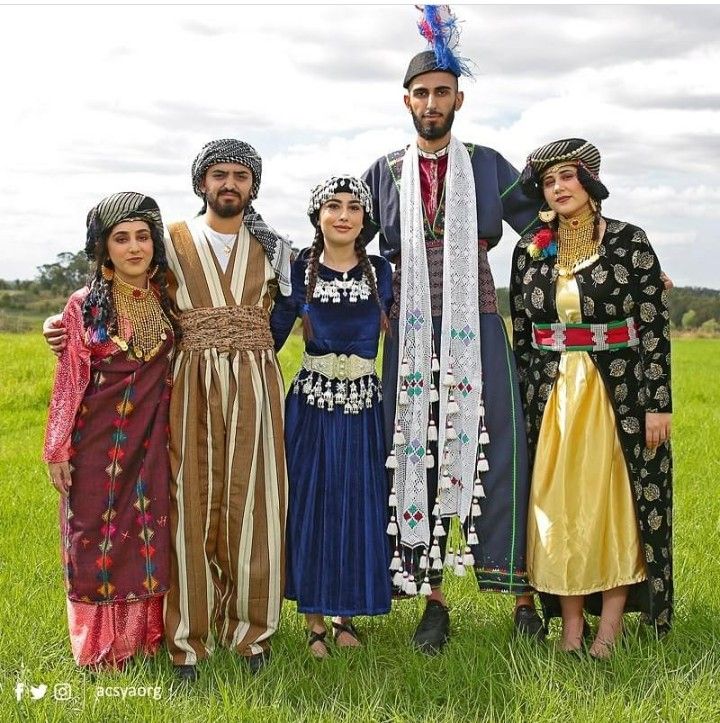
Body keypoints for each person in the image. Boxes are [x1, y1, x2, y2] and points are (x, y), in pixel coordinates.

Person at [43, 139, 293, 681]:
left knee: (256, 503)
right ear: (201, 181)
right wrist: (61, 328)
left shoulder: (275, 246)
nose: (230, 184)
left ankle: (252, 633)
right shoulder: (171, 242)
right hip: (190, 382)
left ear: (253, 185)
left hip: (254, 379)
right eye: (218, 174)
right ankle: (187, 639)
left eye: (241, 176)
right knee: (187, 505)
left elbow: (296, 308)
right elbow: (117, 295)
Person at [361, 7, 545, 654]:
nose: (432, 102)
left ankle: (523, 596)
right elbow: (342, 250)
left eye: (442, 91)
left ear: (458, 98)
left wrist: (620, 267)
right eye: (422, 92)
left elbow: (548, 232)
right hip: (407, 337)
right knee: (419, 454)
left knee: (501, 454)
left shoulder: (491, 166)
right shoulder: (382, 173)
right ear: (406, 100)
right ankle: (433, 601)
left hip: (482, 326)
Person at [510, 138, 673, 658]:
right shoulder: (530, 248)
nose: (557, 188)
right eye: (549, 181)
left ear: (590, 182)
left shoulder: (629, 242)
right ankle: (571, 626)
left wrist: (658, 403)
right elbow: (522, 334)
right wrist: (518, 405)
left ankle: (610, 626)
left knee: (612, 504)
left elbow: (653, 327)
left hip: (615, 393)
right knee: (555, 505)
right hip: (553, 398)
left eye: (567, 177)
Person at [44, 192, 178, 668]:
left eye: (143, 236)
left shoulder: (169, 296)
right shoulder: (83, 306)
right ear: (103, 248)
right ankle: (99, 648)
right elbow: (70, 378)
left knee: (146, 533)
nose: (134, 247)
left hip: (152, 443)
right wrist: (57, 447)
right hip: (96, 440)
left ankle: (144, 639)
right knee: (92, 537)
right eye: (121, 238)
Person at [271, 176, 393, 658]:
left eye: (353, 208)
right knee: (311, 503)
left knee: (360, 503)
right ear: (317, 215)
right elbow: (270, 334)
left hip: (365, 406)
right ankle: (315, 622)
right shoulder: (299, 270)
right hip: (313, 405)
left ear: (365, 220)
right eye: (333, 206)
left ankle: (348, 616)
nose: (343, 215)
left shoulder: (382, 273)